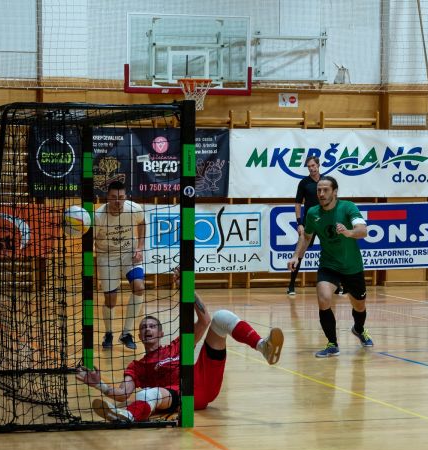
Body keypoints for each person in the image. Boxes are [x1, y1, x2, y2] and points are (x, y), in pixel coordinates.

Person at [76, 288, 285, 422]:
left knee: (221, 317)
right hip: (182, 396)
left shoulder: (177, 346)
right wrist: (99, 385)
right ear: (139, 336)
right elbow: (123, 393)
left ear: (161, 333)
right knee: (147, 394)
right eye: (143, 327)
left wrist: (188, 289)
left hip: (203, 380)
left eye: (152, 326)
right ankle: (126, 416)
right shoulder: (136, 366)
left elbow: (204, 320)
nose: (147, 329)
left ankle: (262, 347)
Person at [287, 176, 371, 357]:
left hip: (352, 266)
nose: (321, 193)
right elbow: (306, 237)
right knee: (324, 298)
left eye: (325, 190)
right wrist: (296, 256)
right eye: (319, 190)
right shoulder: (313, 213)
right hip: (328, 264)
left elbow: (363, 231)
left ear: (335, 192)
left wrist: (348, 232)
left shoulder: (348, 207)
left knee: (359, 306)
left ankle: (358, 329)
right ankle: (332, 343)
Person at [94, 180, 146, 350]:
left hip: (129, 253)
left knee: (139, 287)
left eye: (121, 197)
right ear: (107, 197)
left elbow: (142, 223)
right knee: (111, 299)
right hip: (107, 256)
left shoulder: (134, 209)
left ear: (126, 197)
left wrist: (140, 247)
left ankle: (126, 333)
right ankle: (109, 333)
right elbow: (91, 240)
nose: (118, 201)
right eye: (113, 197)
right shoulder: (98, 217)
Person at [287, 156, 342, 296]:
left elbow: (334, 201)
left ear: (318, 165)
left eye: (313, 165)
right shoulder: (304, 183)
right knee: (299, 252)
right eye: (309, 166)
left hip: (326, 221)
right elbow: (298, 203)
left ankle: (337, 285)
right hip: (310, 222)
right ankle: (291, 285)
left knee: (333, 252)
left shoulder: (326, 181)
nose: (311, 168)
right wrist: (299, 223)